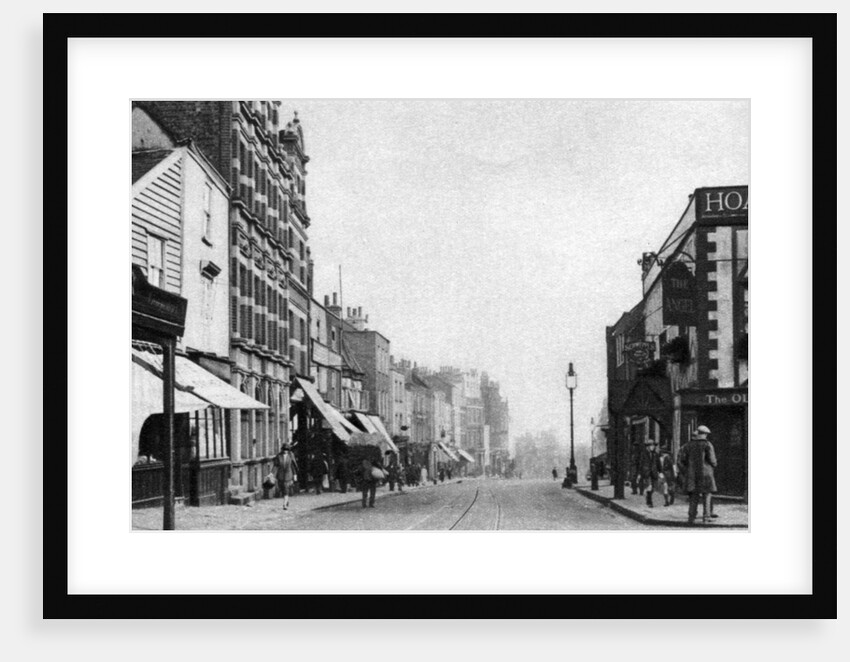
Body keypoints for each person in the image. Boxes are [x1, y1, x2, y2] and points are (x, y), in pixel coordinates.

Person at [677, 425, 718, 524]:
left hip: (692, 475)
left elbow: (680, 461)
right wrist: (714, 465)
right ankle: (706, 517)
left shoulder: (687, 446)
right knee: (707, 495)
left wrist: (686, 471)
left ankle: (691, 517)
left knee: (693, 496)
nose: (706, 436)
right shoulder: (707, 445)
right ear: (703, 434)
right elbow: (713, 461)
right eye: (705, 434)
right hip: (706, 475)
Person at [273, 443, 297, 510]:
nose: (285, 451)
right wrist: (272, 474)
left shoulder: (291, 455)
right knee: (282, 488)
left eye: (287, 449)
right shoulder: (278, 456)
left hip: (288, 475)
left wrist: (295, 475)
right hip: (280, 475)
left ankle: (284, 504)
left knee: (286, 489)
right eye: (284, 449)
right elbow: (275, 465)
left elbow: (293, 466)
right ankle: (286, 500)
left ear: (288, 450)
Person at [640, 439, 662, 507]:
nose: (652, 447)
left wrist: (660, 472)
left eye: (653, 446)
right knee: (649, 486)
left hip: (654, 472)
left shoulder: (656, 454)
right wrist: (640, 473)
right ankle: (649, 502)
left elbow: (658, 464)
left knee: (654, 488)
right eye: (651, 446)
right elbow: (641, 464)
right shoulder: (643, 454)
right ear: (648, 447)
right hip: (647, 473)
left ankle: (648, 497)